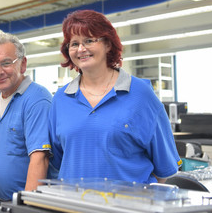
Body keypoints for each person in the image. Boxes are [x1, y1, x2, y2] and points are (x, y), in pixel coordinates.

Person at [49, 10, 181, 184]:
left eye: (89, 40)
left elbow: (164, 170)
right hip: (73, 207)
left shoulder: (141, 94)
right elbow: (57, 160)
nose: (81, 49)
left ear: (108, 45)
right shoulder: (61, 99)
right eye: (74, 44)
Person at [0, 30, 52, 200]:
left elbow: (40, 158)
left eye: (6, 63)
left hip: (31, 204)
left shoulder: (36, 99)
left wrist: (27, 206)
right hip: (4, 202)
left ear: (22, 64)